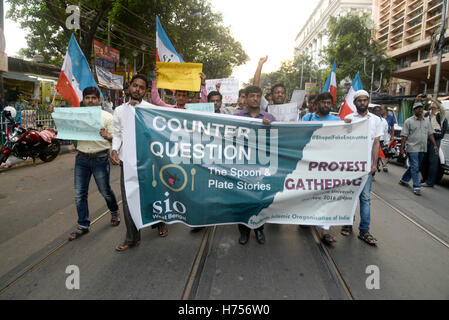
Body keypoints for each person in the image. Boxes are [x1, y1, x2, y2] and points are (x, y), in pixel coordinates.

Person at [50, 86, 120, 241]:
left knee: (105, 191)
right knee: (79, 194)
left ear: (99, 100)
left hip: (100, 159)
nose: (90, 100)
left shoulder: (107, 117)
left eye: (93, 98)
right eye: (87, 98)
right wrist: (55, 115)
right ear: (83, 100)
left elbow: (116, 139)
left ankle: (114, 211)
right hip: (81, 159)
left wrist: (107, 136)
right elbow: (65, 129)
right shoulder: (77, 115)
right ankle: (83, 225)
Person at [111, 75, 169, 251]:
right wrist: (114, 150)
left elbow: (160, 133)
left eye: (141, 87)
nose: (137, 89)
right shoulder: (119, 110)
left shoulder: (151, 110)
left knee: (152, 195)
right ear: (129, 87)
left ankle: (160, 223)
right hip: (126, 162)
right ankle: (132, 238)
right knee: (128, 199)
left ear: (145, 91)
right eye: (134, 86)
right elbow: (117, 133)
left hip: (148, 161)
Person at [235, 85, 276, 245]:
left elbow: (279, 138)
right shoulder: (237, 117)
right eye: (251, 96)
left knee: (260, 200)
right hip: (242, 166)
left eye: (258, 96)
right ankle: (244, 231)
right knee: (243, 200)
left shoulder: (269, 117)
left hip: (261, 166)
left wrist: (270, 127)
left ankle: (259, 230)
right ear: (246, 97)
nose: (255, 99)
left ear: (261, 98)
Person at [341, 90, 382, 246]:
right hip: (352, 166)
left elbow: (376, 143)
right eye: (359, 100)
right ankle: (347, 223)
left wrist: (374, 164)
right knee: (350, 195)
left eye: (365, 100)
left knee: (365, 198)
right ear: (355, 102)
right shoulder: (349, 119)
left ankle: (364, 230)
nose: (363, 103)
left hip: (367, 167)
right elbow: (344, 142)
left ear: (368, 101)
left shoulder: (376, 120)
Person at [302, 92, 340, 244]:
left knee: (327, 196)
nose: (326, 105)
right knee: (309, 192)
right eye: (323, 102)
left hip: (329, 166)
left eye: (328, 103)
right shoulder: (307, 118)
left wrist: (350, 125)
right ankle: (306, 217)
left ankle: (325, 230)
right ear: (316, 103)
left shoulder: (338, 121)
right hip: (310, 163)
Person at [399, 102, 439, 195]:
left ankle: (404, 179)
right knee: (415, 166)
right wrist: (402, 148)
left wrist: (435, 145)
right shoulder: (408, 121)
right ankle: (416, 186)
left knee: (415, 166)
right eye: (417, 108)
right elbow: (404, 136)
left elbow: (430, 134)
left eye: (421, 108)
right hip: (412, 147)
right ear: (414, 110)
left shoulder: (427, 121)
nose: (420, 110)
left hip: (422, 148)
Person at [420, 95, 447, 187]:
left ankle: (430, 182)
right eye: (431, 103)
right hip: (426, 138)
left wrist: (432, 98)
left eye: (434, 103)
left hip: (435, 140)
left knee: (433, 161)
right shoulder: (427, 114)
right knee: (424, 160)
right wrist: (418, 99)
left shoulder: (440, 115)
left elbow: (442, 108)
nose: (432, 104)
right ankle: (424, 178)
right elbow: (417, 111)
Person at [372, 105, 390, 173]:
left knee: (377, 157)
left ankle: (375, 169)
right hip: (371, 141)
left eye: (379, 110)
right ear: (373, 112)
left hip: (380, 142)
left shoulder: (384, 121)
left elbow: (385, 132)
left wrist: (387, 142)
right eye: (375, 110)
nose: (377, 112)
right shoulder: (369, 120)